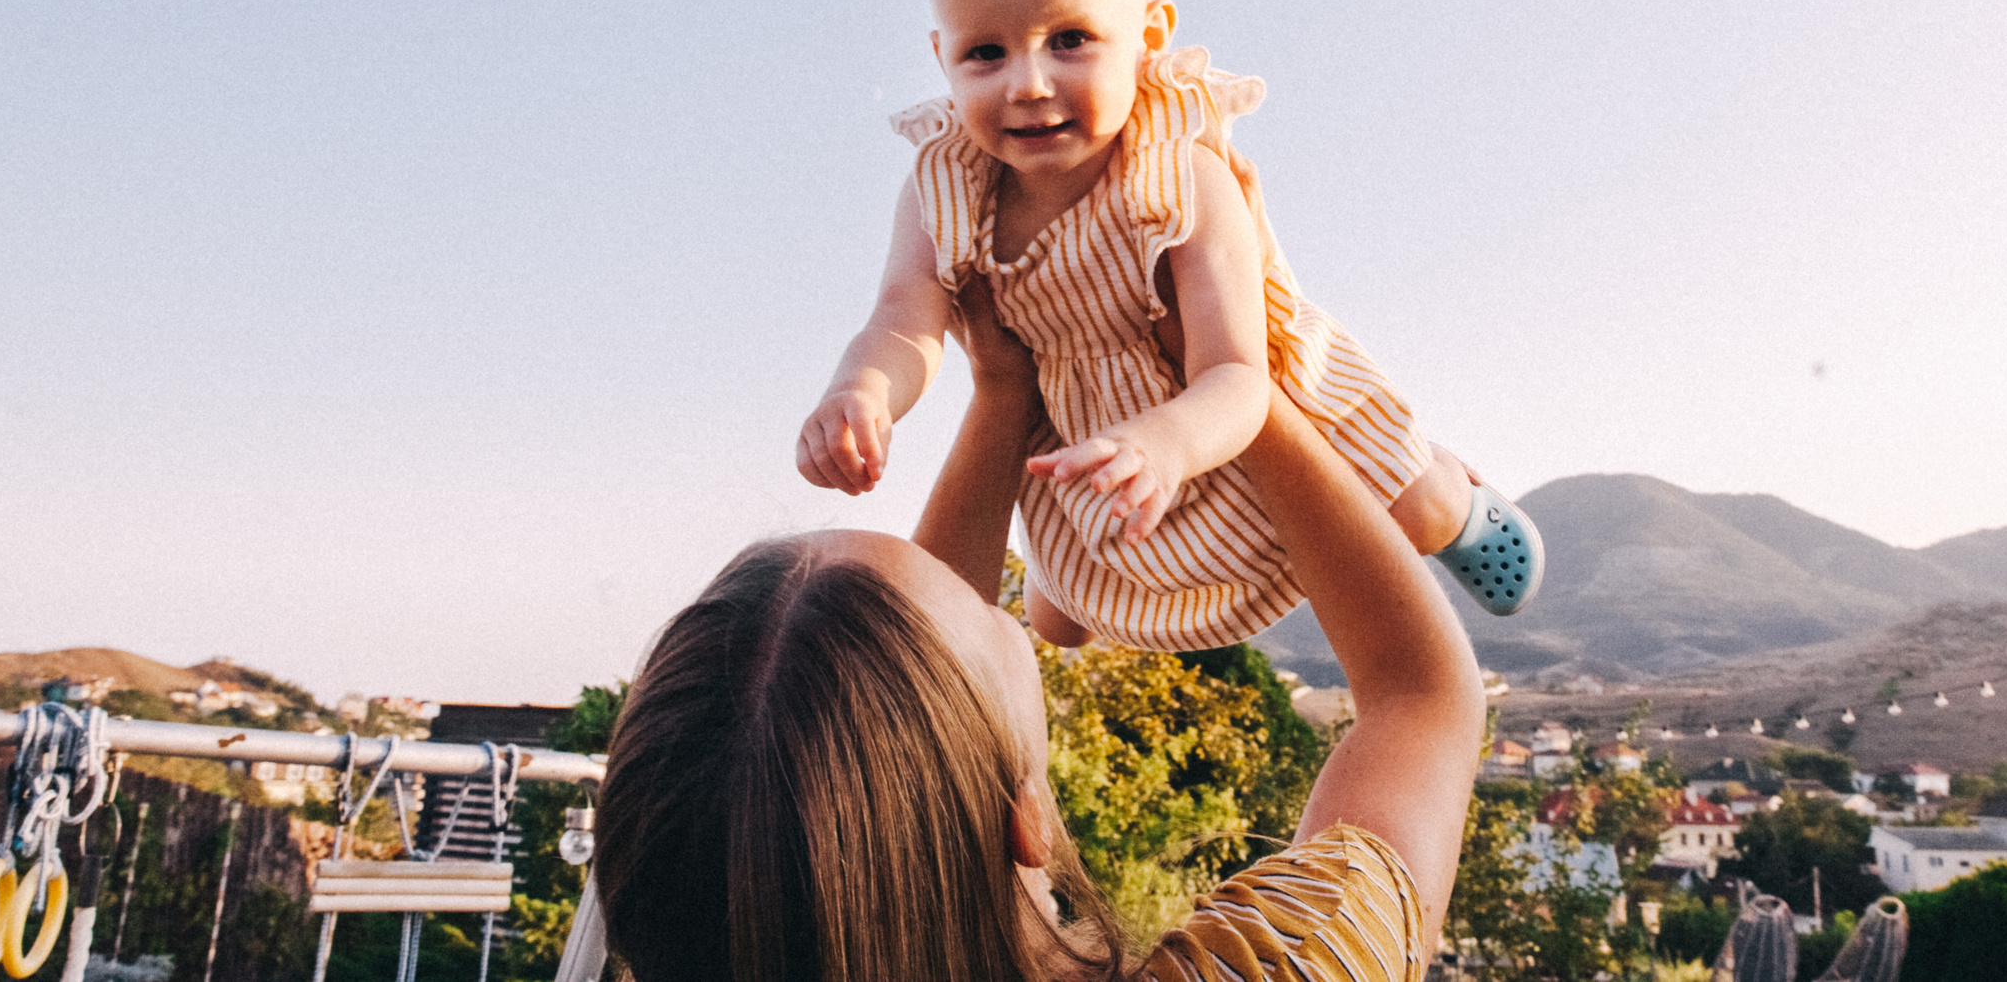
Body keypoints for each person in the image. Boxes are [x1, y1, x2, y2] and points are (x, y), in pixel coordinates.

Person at [596, 278, 1488, 980]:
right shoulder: (1289, 964)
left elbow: (914, 738)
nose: (984, 589)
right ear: (1025, 821)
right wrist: (1243, 395)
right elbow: (1420, 700)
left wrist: (1005, 390)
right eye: (991, 615)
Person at [796, 0, 1541, 651]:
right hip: (1081, 429)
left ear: (1148, 38)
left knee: (1412, 515)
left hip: (1225, 407)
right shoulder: (942, 188)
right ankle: (1070, 567)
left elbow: (1235, 373)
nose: (1029, 81)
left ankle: (1455, 494)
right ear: (943, 55)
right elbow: (905, 318)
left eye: (1071, 39)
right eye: (987, 53)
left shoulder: (1176, 174)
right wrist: (865, 390)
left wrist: (1167, 442)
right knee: (1060, 625)